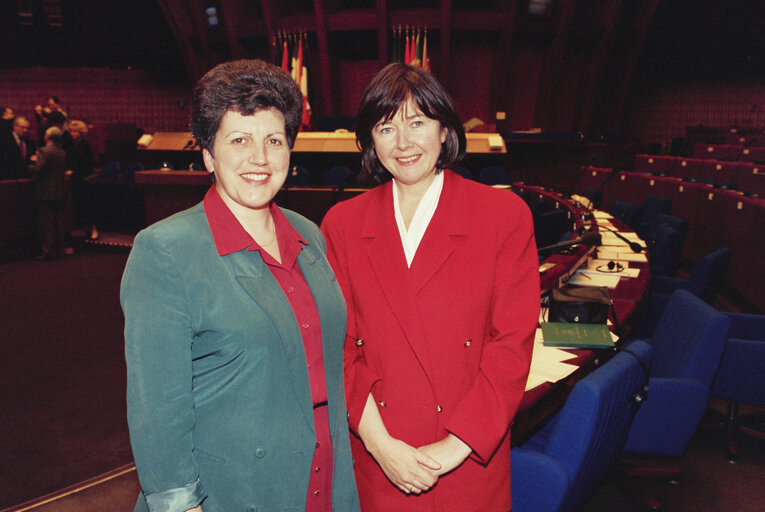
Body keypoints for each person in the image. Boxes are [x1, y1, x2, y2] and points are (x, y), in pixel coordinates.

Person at [121, 59, 360, 512]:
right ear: (209, 154)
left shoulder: (309, 234)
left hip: (326, 478)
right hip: (233, 492)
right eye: (239, 140)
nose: (260, 158)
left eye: (274, 140)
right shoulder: (165, 251)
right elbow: (157, 409)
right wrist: (181, 506)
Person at [321, 63, 540, 511]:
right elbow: (337, 349)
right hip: (378, 458)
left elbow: (511, 347)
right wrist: (383, 447)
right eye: (386, 127)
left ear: (444, 130)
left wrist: (450, 450)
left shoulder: (502, 216)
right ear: (369, 140)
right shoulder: (342, 224)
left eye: (417, 122)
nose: (403, 143)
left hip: (466, 459)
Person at [28, 126, 68, 260]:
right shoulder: (62, 152)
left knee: (47, 223)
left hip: (46, 191)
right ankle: (59, 250)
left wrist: (30, 164)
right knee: (59, 222)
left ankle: (48, 251)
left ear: (47, 137)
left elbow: (39, 169)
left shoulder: (44, 151)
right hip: (61, 190)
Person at [63, 119, 98, 239]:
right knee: (80, 206)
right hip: (76, 179)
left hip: (84, 178)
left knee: (88, 205)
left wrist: (74, 171)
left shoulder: (85, 145)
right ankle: (85, 229)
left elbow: (87, 162)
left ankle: (92, 228)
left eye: (75, 131)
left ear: (81, 132)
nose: (73, 133)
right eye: (71, 131)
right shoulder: (70, 145)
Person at [1, 116, 33, 180]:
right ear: (14, 126)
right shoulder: (4, 141)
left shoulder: (29, 142)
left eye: (27, 128)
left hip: (25, 178)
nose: (25, 130)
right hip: (9, 178)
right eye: (23, 127)